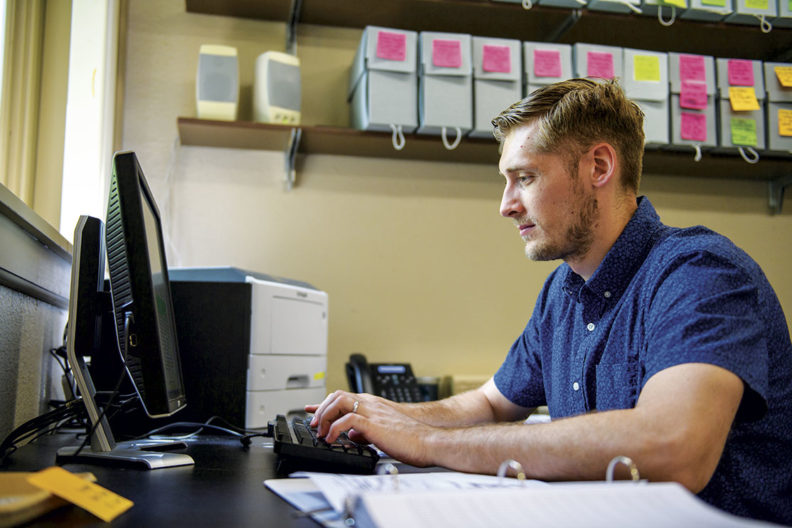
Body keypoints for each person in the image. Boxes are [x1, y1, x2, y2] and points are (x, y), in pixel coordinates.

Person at [306, 78, 792, 525]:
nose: (506, 204)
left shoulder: (699, 272)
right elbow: (492, 404)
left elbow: (672, 448)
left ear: (598, 167)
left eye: (526, 178)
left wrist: (429, 441)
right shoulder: (564, 292)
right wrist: (389, 416)